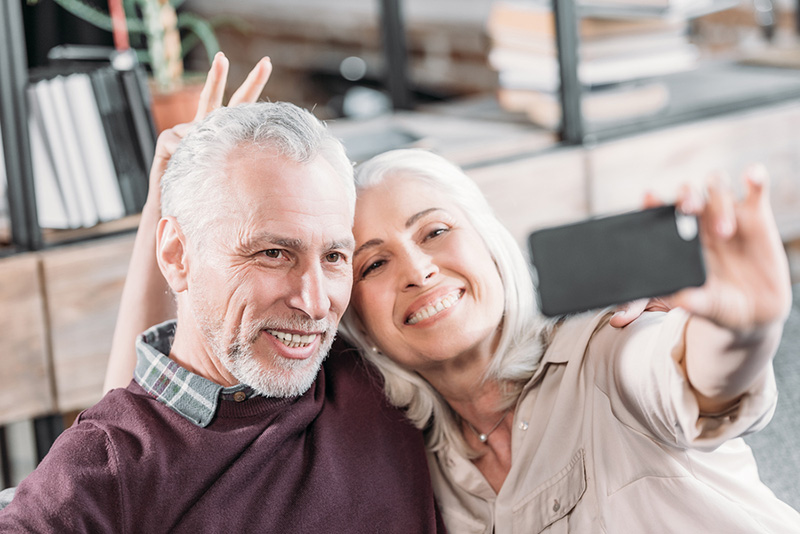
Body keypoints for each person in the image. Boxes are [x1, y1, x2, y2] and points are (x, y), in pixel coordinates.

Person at [0, 54, 444, 532]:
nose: (315, 304)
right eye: (273, 253)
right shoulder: (100, 473)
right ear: (176, 255)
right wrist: (166, 200)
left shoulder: (378, 373)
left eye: (335, 257)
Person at [338, 148, 800, 532]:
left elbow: (701, 381)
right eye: (374, 264)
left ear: (493, 246)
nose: (418, 271)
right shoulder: (421, 474)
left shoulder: (606, 348)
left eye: (435, 231)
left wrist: (742, 330)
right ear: (362, 325)